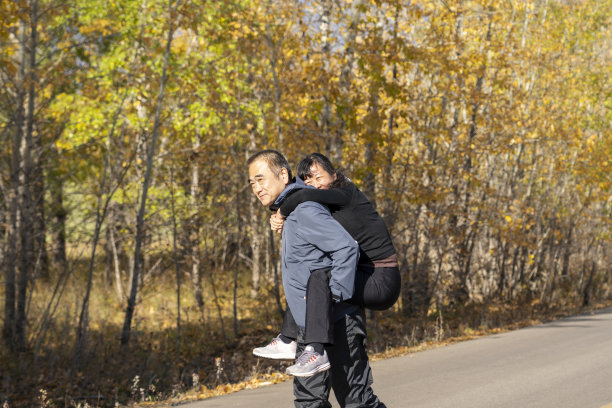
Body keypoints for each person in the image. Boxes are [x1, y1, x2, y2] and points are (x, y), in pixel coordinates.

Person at [248, 150, 384, 408]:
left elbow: (346, 248)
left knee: (357, 401)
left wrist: (335, 294)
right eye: (252, 183)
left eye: (261, 179)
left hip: (339, 319)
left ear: (283, 175)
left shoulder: (304, 210)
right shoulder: (291, 211)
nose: (256, 188)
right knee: (309, 401)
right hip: (310, 326)